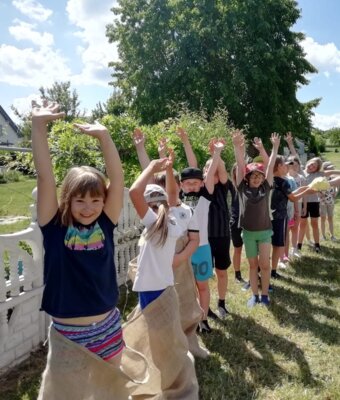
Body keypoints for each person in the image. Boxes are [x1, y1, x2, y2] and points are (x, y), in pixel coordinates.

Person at [31, 101, 125, 368]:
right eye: (80, 201)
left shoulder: (106, 222)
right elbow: (45, 177)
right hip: (68, 333)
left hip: (108, 326)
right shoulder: (54, 226)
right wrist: (38, 126)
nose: (89, 208)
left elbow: (117, 180)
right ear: (67, 200)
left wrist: (105, 136)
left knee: (110, 390)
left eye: (96, 201)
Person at [177, 129, 231, 320]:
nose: (211, 174)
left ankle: (218, 305)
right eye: (208, 171)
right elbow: (192, 167)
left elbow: (216, 172)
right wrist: (185, 141)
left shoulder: (216, 189)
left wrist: (217, 153)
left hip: (216, 237)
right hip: (194, 243)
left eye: (215, 171)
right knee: (196, 281)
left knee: (214, 275)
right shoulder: (194, 191)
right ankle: (200, 311)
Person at [129, 155, 184, 308]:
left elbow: (134, 192)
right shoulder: (172, 220)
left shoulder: (153, 222)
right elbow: (173, 194)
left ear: (144, 205)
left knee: (152, 328)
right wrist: (168, 168)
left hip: (149, 288)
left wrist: (152, 168)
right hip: (165, 285)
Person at [232, 130, 279, 307]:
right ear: (247, 178)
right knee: (252, 266)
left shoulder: (266, 187)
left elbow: (270, 165)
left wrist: (274, 148)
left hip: (265, 232)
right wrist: (237, 146)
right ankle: (254, 295)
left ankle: (265, 295)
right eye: (254, 176)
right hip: (249, 233)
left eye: (260, 176)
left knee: (264, 265)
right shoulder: (241, 188)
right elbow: (239, 163)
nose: (258, 178)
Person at [270, 155, 314, 279]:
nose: (288, 167)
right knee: (277, 244)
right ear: (279, 166)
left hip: (268, 217)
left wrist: (304, 188)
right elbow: (293, 197)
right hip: (280, 217)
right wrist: (307, 191)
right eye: (285, 165)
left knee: (268, 244)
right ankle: (273, 271)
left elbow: (291, 194)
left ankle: (265, 269)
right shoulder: (283, 182)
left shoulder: (269, 180)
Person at [297, 157, 340, 253]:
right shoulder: (300, 171)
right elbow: (296, 157)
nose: (312, 167)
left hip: (314, 202)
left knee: (314, 223)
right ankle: (299, 245)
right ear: (309, 162)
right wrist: (291, 144)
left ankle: (317, 245)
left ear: (317, 169)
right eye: (312, 164)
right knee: (302, 224)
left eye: (315, 167)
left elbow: (331, 172)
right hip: (302, 202)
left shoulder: (318, 174)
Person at [320, 162, 338, 241]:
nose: (332, 169)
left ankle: (332, 235)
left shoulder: (332, 178)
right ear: (325, 169)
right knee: (323, 218)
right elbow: (316, 188)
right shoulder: (320, 178)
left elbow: (335, 186)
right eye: (330, 168)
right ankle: (323, 235)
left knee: (330, 217)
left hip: (330, 200)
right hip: (322, 201)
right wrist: (320, 194)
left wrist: (335, 192)